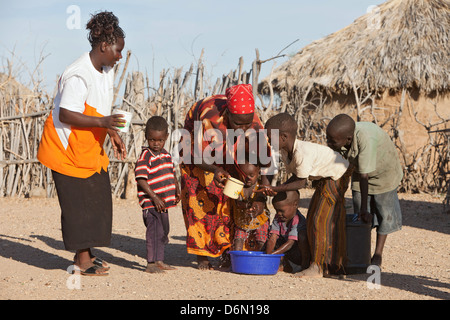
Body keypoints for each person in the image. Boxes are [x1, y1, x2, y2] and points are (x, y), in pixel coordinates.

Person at [37, 11, 126, 276]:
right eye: (118, 50)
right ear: (104, 46)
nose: (120, 56)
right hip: (64, 147)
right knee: (77, 204)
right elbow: (66, 114)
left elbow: (98, 110)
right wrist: (104, 124)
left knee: (97, 198)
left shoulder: (105, 70)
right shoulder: (78, 73)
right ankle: (81, 260)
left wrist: (112, 132)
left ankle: (87, 253)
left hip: (87, 145)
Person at [179, 83, 270, 270]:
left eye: (247, 123)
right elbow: (196, 156)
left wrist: (261, 194)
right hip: (197, 153)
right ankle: (202, 253)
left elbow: (265, 161)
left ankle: (228, 249)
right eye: (238, 123)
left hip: (227, 148)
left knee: (233, 195)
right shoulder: (209, 118)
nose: (244, 128)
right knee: (201, 195)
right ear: (227, 115)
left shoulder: (254, 123)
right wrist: (215, 170)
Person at [259, 113, 352, 278]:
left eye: (270, 137)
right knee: (313, 220)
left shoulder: (302, 152)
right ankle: (325, 264)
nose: (267, 141)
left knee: (320, 220)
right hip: (326, 178)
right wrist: (276, 189)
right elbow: (295, 177)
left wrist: (277, 189)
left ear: (283, 137)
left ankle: (318, 266)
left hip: (338, 175)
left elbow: (301, 183)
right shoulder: (286, 152)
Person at [326, 114, 403, 267]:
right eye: (328, 138)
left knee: (384, 214)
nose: (329, 142)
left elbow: (364, 176)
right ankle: (362, 253)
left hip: (384, 173)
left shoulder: (366, 139)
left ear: (348, 139)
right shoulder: (340, 139)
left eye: (332, 141)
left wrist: (364, 209)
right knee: (360, 215)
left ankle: (378, 254)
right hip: (361, 173)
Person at [135, 116, 181, 273]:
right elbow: (141, 178)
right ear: (147, 137)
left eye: (160, 140)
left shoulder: (166, 155)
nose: (156, 144)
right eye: (152, 140)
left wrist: (177, 189)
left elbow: (171, 174)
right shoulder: (145, 156)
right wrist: (154, 197)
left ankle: (159, 260)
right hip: (151, 203)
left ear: (166, 137)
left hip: (163, 203)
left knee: (163, 231)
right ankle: (151, 263)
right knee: (154, 232)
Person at [231, 159, 270, 252]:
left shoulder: (260, 187)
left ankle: (261, 260)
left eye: (252, 176)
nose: (247, 178)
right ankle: (238, 261)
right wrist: (243, 205)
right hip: (242, 221)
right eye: (244, 176)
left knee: (261, 241)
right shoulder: (238, 186)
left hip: (260, 220)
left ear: (259, 173)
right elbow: (237, 202)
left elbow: (263, 201)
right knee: (238, 241)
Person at [265, 190, 309, 272]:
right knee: (269, 235)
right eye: (276, 210)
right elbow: (273, 238)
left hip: (297, 251)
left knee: (302, 236)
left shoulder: (298, 219)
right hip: (286, 251)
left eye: (281, 210)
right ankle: (284, 265)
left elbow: (290, 243)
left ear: (295, 205)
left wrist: (272, 255)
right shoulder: (278, 218)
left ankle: (304, 265)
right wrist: (268, 257)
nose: (278, 213)